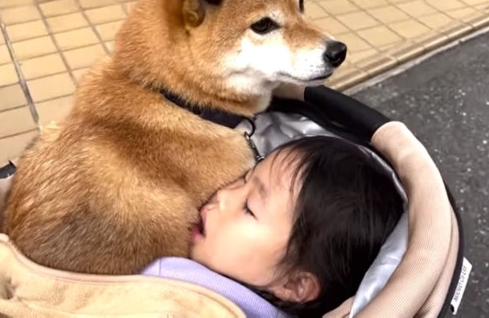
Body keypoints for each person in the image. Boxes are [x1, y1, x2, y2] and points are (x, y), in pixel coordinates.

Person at [141, 135, 404, 317]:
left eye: (248, 208)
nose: (224, 195)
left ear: (294, 285)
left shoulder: (174, 288)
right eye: (244, 178)